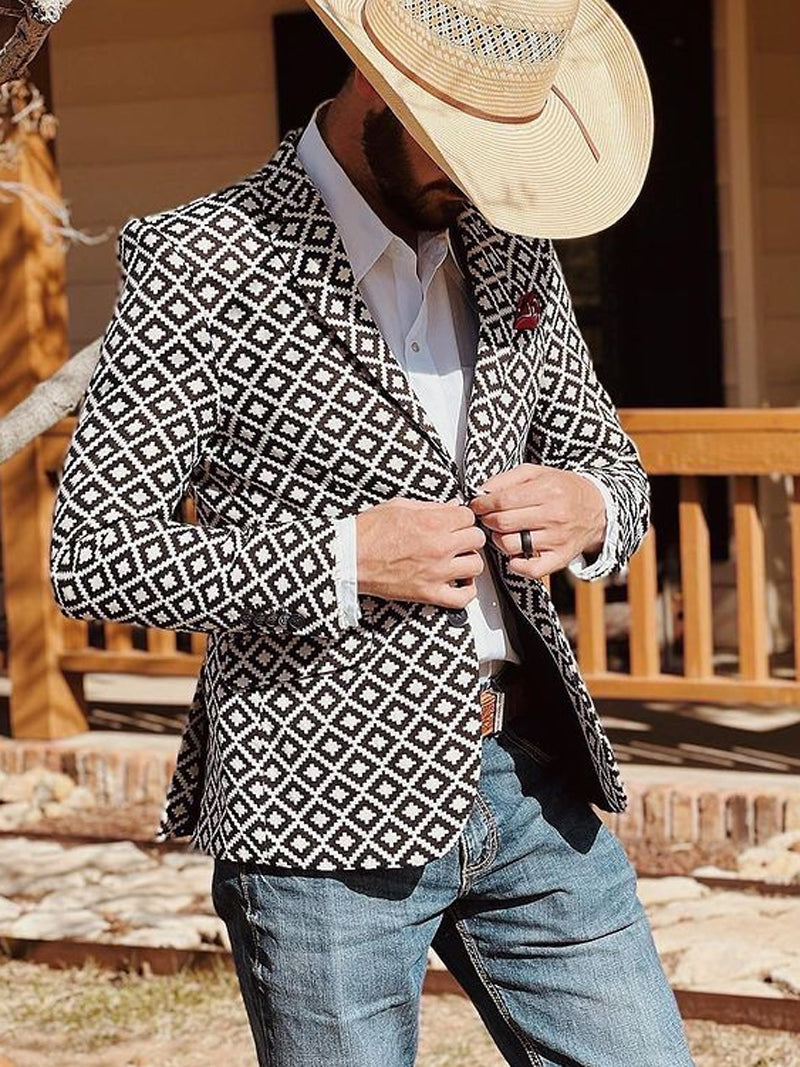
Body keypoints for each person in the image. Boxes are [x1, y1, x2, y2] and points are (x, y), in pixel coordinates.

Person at [49, 0, 696, 1063]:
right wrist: (345, 557)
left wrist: (590, 509)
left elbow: (610, 465)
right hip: (314, 810)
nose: (484, 185)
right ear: (372, 85)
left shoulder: (512, 251)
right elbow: (93, 553)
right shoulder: (198, 258)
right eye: (464, 150)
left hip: (528, 775)